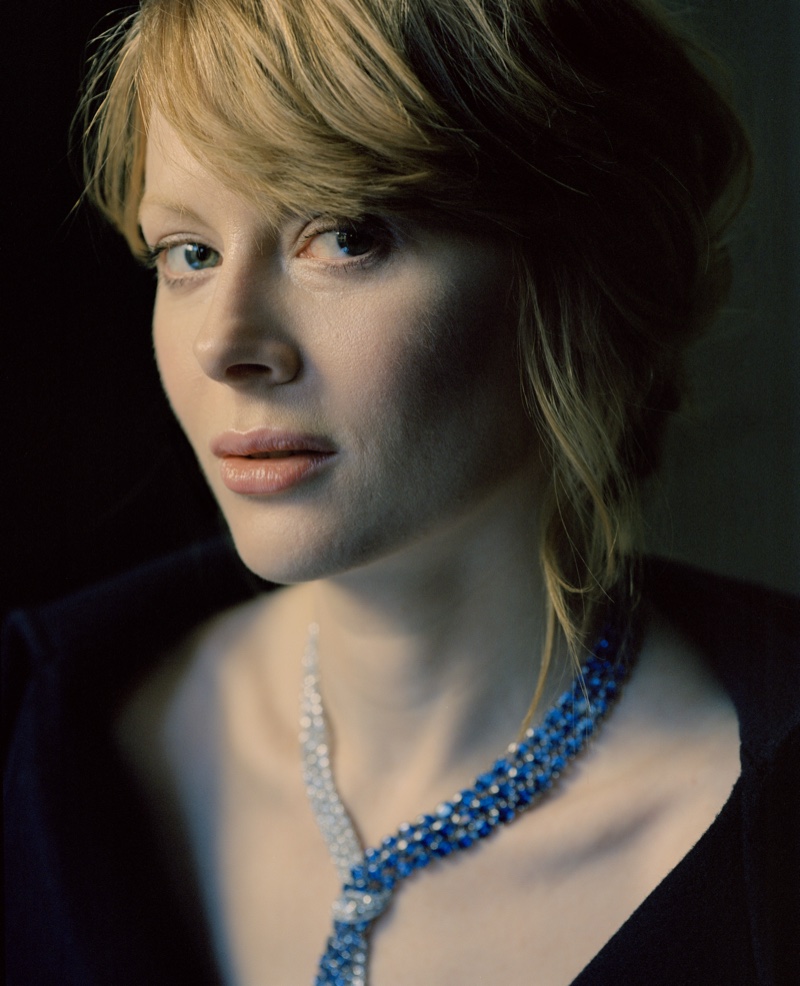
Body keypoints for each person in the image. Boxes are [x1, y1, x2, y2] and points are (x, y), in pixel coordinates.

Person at [3, 0, 798, 983]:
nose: (225, 343)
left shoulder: (762, 849)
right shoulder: (41, 732)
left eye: (342, 235)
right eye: (189, 253)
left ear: (576, 277)